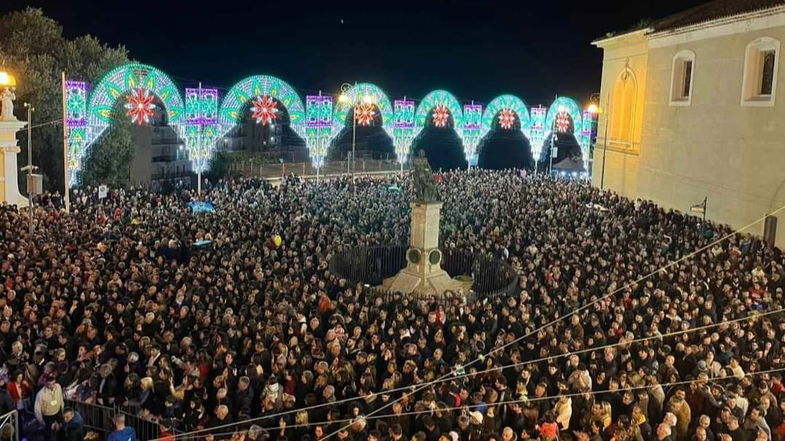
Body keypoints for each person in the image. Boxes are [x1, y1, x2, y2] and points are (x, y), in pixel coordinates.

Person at [33, 375, 64, 441]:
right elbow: (37, 409)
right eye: (49, 384)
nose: (52, 386)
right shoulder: (40, 394)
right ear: (46, 383)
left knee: (61, 431)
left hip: (58, 412)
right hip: (48, 416)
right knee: (48, 434)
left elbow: (61, 398)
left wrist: (62, 410)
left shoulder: (58, 387)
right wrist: (41, 421)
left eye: (53, 383)